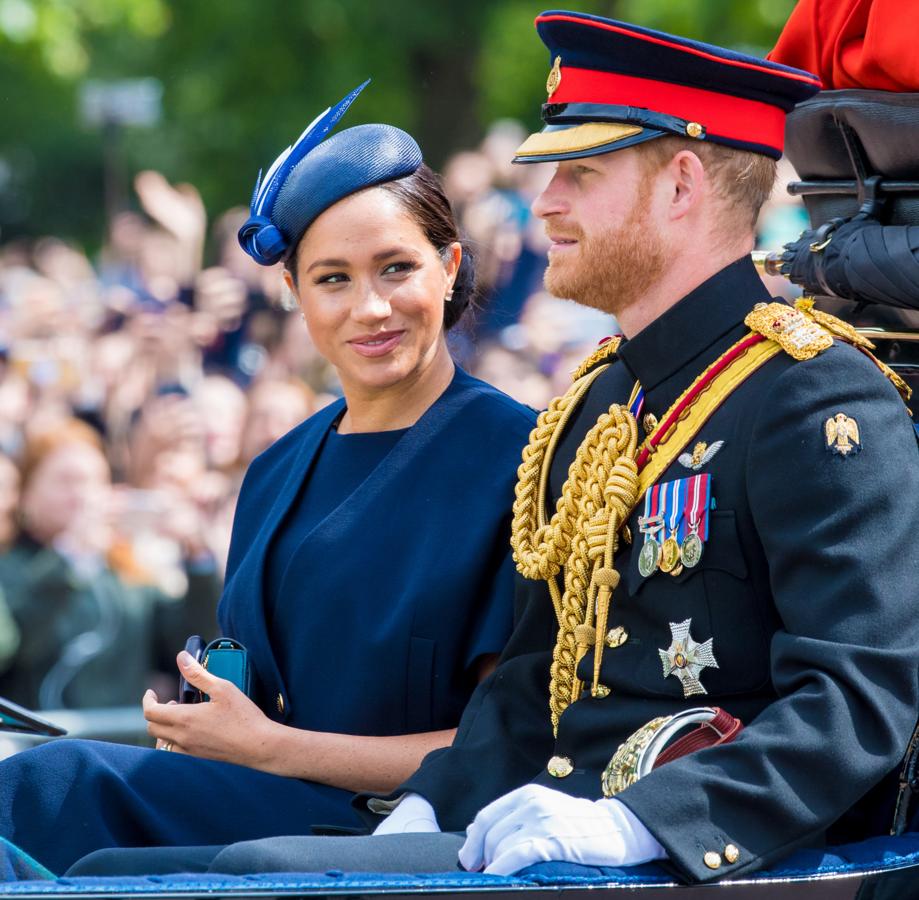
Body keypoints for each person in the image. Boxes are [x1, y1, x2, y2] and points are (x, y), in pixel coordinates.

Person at [91, 11, 919, 884]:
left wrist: (639, 824)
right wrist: (430, 805)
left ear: (681, 185)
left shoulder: (812, 396)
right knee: (106, 858)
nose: (546, 203)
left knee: (244, 874)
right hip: (540, 825)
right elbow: (533, 679)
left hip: (704, 856)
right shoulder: (602, 399)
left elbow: (855, 698)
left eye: (581, 173)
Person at [0, 85, 535, 876]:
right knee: (40, 791)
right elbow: (253, 704)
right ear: (291, 293)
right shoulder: (278, 469)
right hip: (280, 795)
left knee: (65, 798)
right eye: (332, 279)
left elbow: (507, 743)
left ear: (449, 267)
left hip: (415, 825)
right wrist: (205, 723)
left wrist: (272, 747)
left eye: (396, 268)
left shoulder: (522, 455)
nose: (371, 307)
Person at [0, 419, 221, 709]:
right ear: (27, 495)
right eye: (67, 481)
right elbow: (16, 644)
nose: (82, 494)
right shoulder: (12, 568)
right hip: (40, 745)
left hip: (119, 745)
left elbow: (183, 646)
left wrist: (197, 554)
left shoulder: (125, 571)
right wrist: (69, 556)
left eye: (95, 481)